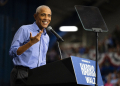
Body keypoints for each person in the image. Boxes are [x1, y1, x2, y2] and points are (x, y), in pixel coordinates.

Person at [9, 5, 52, 86]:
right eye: (43, 14)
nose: (46, 18)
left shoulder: (46, 37)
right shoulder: (25, 29)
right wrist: (30, 43)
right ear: (35, 16)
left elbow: (42, 60)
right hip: (21, 74)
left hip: (37, 75)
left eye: (49, 15)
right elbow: (12, 52)